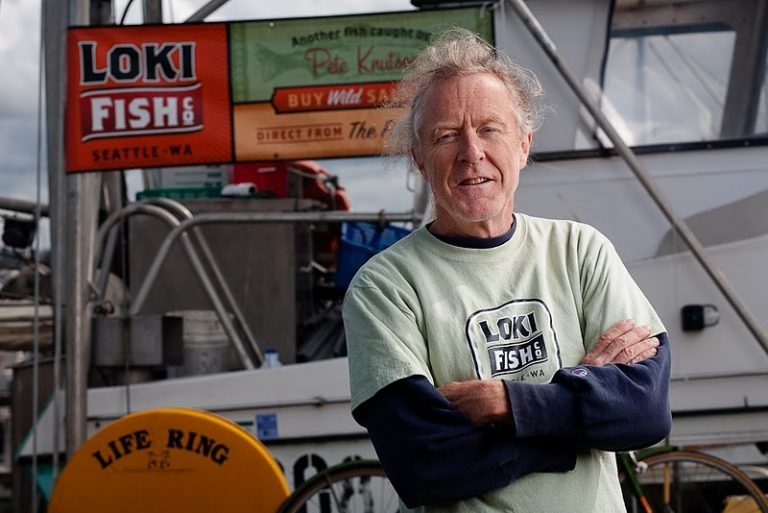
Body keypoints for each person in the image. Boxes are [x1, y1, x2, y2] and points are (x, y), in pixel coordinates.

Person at [342, 28, 671, 513]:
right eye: (446, 135)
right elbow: (426, 465)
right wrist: (580, 403)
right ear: (418, 160)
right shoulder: (385, 287)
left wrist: (505, 403)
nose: (471, 151)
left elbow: (645, 412)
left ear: (523, 145)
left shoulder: (581, 251)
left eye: (490, 129)